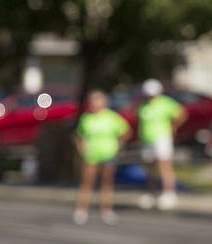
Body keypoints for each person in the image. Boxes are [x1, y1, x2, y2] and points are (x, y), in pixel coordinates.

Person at [72, 89, 131, 225]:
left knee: (107, 183)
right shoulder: (86, 118)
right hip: (91, 155)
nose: (95, 104)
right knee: (87, 182)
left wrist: (118, 145)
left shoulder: (112, 117)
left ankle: (106, 210)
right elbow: (79, 135)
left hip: (108, 154)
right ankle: (81, 210)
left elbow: (126, 132)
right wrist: (82, 149)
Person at [136, 78, 187, 211]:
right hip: (147, 140)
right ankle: (152, 193)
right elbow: (141, 122)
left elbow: (182, 114)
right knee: (150, 168)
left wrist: (173, 127)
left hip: (162, 138)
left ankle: (169, 193)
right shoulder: (143, 105)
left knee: (164, 165)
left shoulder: (166, 103)